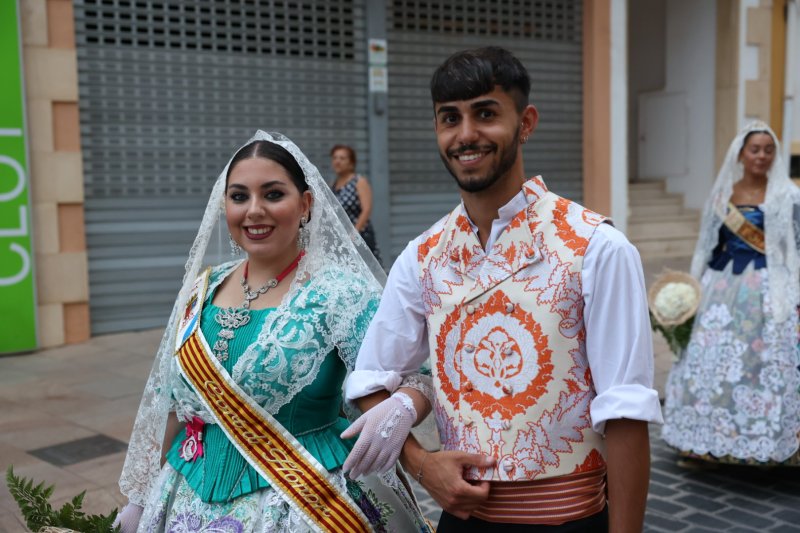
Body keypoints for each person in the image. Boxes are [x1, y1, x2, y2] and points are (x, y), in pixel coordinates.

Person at [341, 47, 663, 532]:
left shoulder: (597, 247)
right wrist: (423, 464)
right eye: (450, 118)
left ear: (525, 122)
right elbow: (370, 379)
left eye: (485, 114)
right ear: (436, 130)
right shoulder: (422, 257)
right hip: (462, 523)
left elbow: (624, 414)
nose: (466, 134)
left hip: (571, 521)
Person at [112, 131, 432, 533]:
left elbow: (416, 377)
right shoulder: (201, 290)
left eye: (273, 194)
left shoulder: (340, 293)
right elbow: (171, 406)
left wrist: (404, 406)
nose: (254, 211)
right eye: (240, 196)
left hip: (302, 502)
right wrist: (140, 499)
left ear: (306, 204)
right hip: (181, 498)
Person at [662, 121, 800, 466]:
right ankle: (706, 439)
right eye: (755, 149)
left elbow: (795, 245)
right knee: (714, 360)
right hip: (722, 288)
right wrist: (692, 290)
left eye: (769, 150)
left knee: (764, 361)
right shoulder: (722, 195)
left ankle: (773, 441)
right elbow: (708, 246)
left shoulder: (787, 195)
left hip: (771, 289)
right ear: (740, 154)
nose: (762, 156)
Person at [330, 144, 382, 265]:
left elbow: (367, 209)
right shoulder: (333, 184)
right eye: (335, 158)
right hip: (341, 239)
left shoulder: (359, 181)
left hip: (359, 237)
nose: (337, 161)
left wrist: (354, 233)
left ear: (351, 162)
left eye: (342, 158)